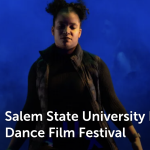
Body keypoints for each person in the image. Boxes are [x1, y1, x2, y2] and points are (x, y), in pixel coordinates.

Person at [7, 0, 143, 150]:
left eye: (73, 26)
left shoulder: (95, 65)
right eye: (61, 26)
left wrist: (134, 138)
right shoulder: (39, 68)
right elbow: (30, 112)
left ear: (79, 32)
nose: (67, 31)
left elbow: (113, 105)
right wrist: (11, 148)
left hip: (89, 143)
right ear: (53, 30)